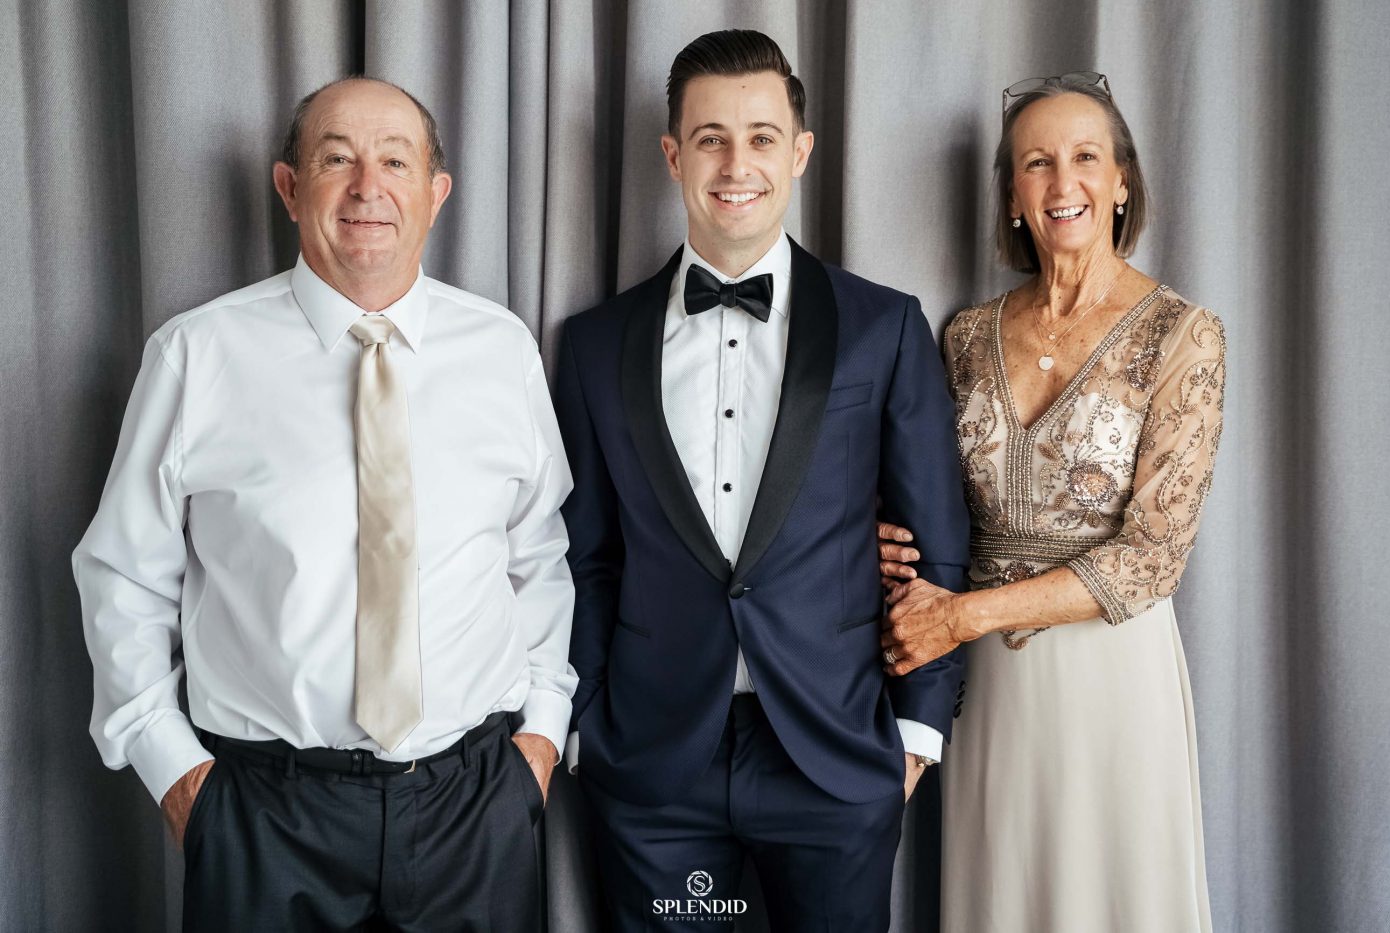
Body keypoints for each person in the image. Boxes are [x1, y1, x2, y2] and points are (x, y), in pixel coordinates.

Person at [73, 76, 575, 932]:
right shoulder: (197, 355)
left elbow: (538, 555)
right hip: (267, 817)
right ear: (289, 187)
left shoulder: (504, 351)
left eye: (395, 162)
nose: (367, 186)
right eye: (337, 159)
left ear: (436, 193)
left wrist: (542, 739)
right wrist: (180, 777)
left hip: (476, 808)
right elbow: (123, 574)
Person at [553, 29, 969, 933]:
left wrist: (915, 734)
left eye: (761, 137)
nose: (736, 164)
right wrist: (585, 723)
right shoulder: (593, 345)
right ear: (673, 156)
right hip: (653, 767)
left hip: (836, 756)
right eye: (710, 139)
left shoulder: (884, 327)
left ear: (801, 152)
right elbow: (583, 555)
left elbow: (937, 545)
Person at [879, 72, 1224, 932]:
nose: (1062, 181)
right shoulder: (965, 335)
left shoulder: (1184, 334)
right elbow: (933, 505)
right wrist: (880, 540)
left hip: (1114, 674)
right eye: (1036, 162)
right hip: (994, 690)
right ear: (1012, 197)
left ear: (1122, 182)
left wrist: (962, 616)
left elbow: (1152, 558)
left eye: (1085, 157)